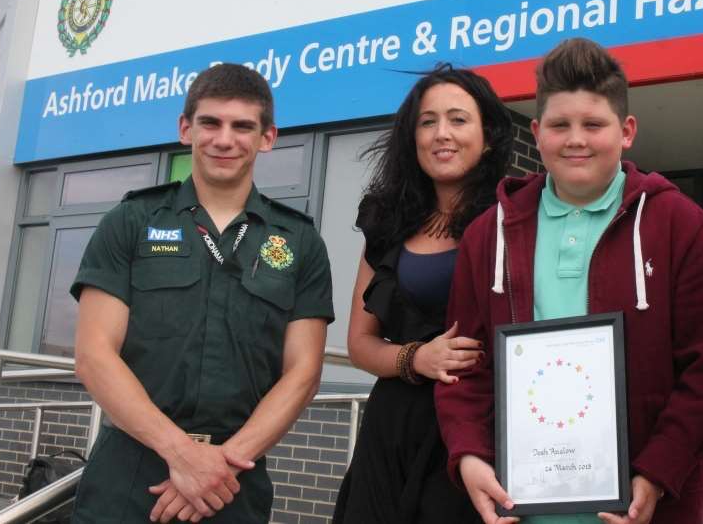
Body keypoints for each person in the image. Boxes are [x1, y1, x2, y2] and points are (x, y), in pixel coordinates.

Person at [434, 37, 703, 524]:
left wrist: (658, 472)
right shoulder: (486, 236)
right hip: (520, 510)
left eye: (593, 124)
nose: (575, 139)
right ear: (536, 133)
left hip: (647, 509)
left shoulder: (681, 226)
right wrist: (469, 454)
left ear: (626, 131)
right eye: (559, 125)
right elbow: (464, 366)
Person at [70, 63, 333, 523]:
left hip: (235, 480)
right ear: (185, 128)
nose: (224, 139)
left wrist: (219, 467)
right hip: (131, 473)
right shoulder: (131, 221)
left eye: (242, 126)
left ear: (267, 137)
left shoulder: (299, 241)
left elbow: (303, 373)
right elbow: (94, 354)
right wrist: (183, 455)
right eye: (210, 122)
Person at [333, 65, 514, 524]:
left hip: (476, 431)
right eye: (427, 122)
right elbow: (360, 343)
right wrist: (417, 359)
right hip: (394, 428)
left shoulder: (515, 219)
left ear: (487, 134)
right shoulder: (385, 220)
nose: (441, 134)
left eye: (458, 119)